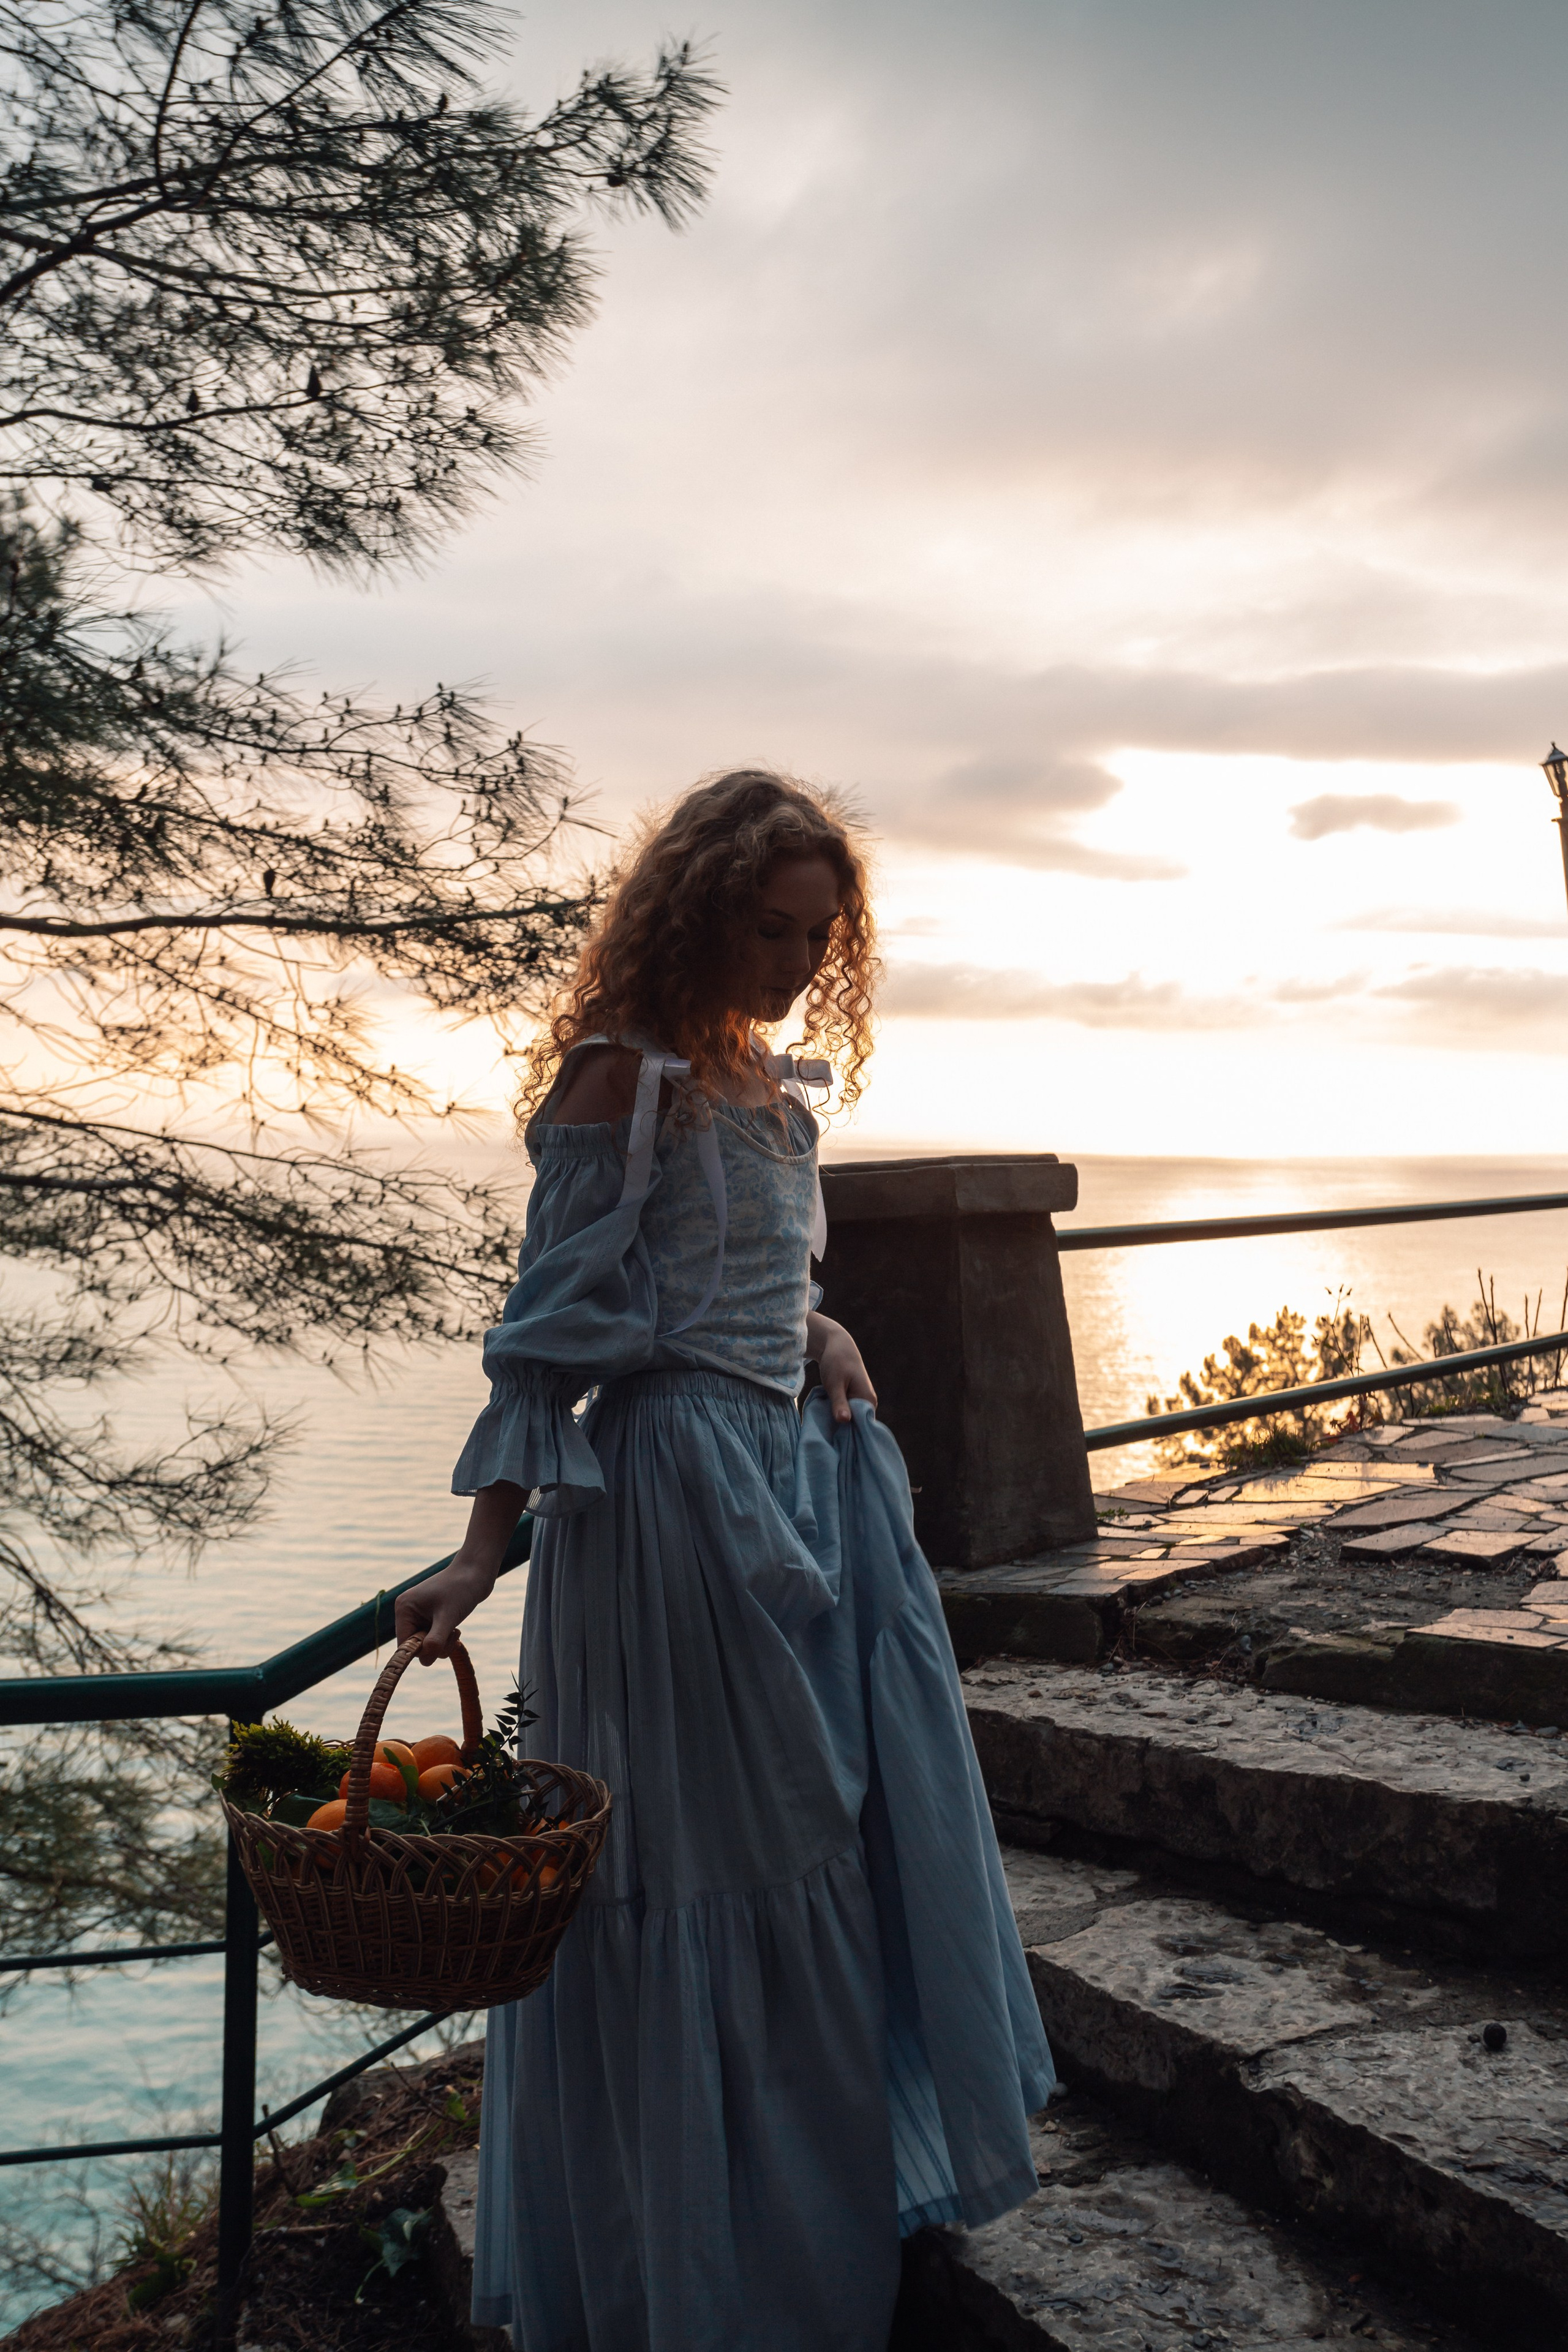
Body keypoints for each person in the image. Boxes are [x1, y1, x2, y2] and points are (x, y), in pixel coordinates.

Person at [396, 771, 1054, 2352]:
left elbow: (737, 1274)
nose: (792, 962)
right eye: (769, 929)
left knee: (816, 1861)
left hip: (792, 1496)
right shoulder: (625, 1079)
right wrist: (486, 1555)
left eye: (818, 936)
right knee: (690, 1885)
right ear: (699, 908)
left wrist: (814, 1331)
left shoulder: (765, 1081)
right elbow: (550, 1339)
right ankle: (696, 2293)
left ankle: (801, 2265)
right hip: (671, 1527)